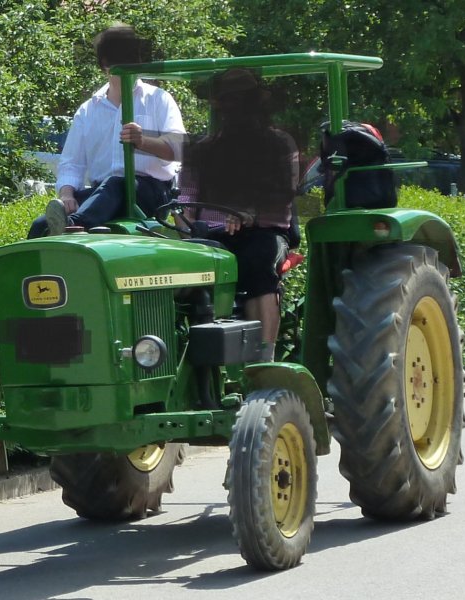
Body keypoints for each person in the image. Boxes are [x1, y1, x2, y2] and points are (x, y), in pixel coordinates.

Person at [178, 68, 299, 361]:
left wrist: (249, 213)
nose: (235, 110)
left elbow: (285, 193)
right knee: (173, 269)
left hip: (265, 231)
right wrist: (185, 230)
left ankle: (264, 360)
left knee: (257, 264)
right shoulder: (202, 150)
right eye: (228, 102)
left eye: (242, 102)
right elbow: (187, 198)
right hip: (210, 235)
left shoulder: (279, 144)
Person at [27, 24, 185, 238]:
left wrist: (143, 141)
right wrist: (66, 195)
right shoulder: (88, 110)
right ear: (104, 65)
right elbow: (72, 162)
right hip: (103, 193)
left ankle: (73, 226)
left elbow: (178, 149)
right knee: (41, 225)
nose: (125, 68)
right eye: (117, 61)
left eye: (130, 60)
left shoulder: (158, 99)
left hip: (151, 192)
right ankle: (35, 268)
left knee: (117, 182)